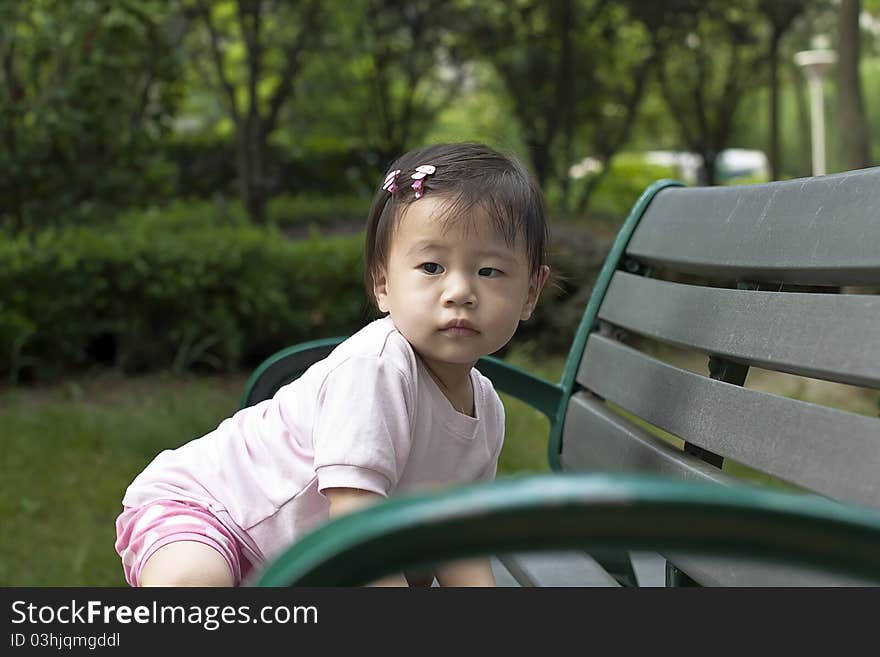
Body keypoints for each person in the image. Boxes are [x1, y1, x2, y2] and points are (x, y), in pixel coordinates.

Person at [115, 142, 551, 587]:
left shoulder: (487, 411)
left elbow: (457, 540)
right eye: (432, 266)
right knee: (192, 582)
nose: (459, 291)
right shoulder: (377, 369)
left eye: (490, 272)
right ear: (383, 284)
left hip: (302, 558)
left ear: (531, 293)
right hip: (209, 512)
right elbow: (355, 525)